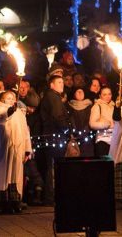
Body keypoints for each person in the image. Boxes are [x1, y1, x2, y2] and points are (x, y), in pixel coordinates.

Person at [0, 91, 33, 213]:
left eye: (12, 98)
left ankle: (15, 201)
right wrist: (9, 112)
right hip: (3, 149)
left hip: (17, 148)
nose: (10, 100)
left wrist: (27, 149)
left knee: (15, 174)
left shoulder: (20, 113)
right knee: (4, 174)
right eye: (7, 98)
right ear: (2, 100)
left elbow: (25, 131)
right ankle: (4, 202)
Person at [38, 70, 69, 205]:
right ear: (51, 85)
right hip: (55, 136)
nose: (62, 85)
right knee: (53, 166)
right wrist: (67, 129)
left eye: (63, 82)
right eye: (59, 82)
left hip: (52, 135)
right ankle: (51, 197)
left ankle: (51, 195)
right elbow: (58, 116)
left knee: (52, 165)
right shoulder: (53, 97)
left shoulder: (52, 96)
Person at [90, 86, 116, 157]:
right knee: (104, 163)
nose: (107, 96)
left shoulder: (114, 106)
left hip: (114, 139)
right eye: (104, 94)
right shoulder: (97, 106)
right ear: (100, 96)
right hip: (102, 139)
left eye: (109, 94)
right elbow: (92, 124)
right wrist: (105, 124)